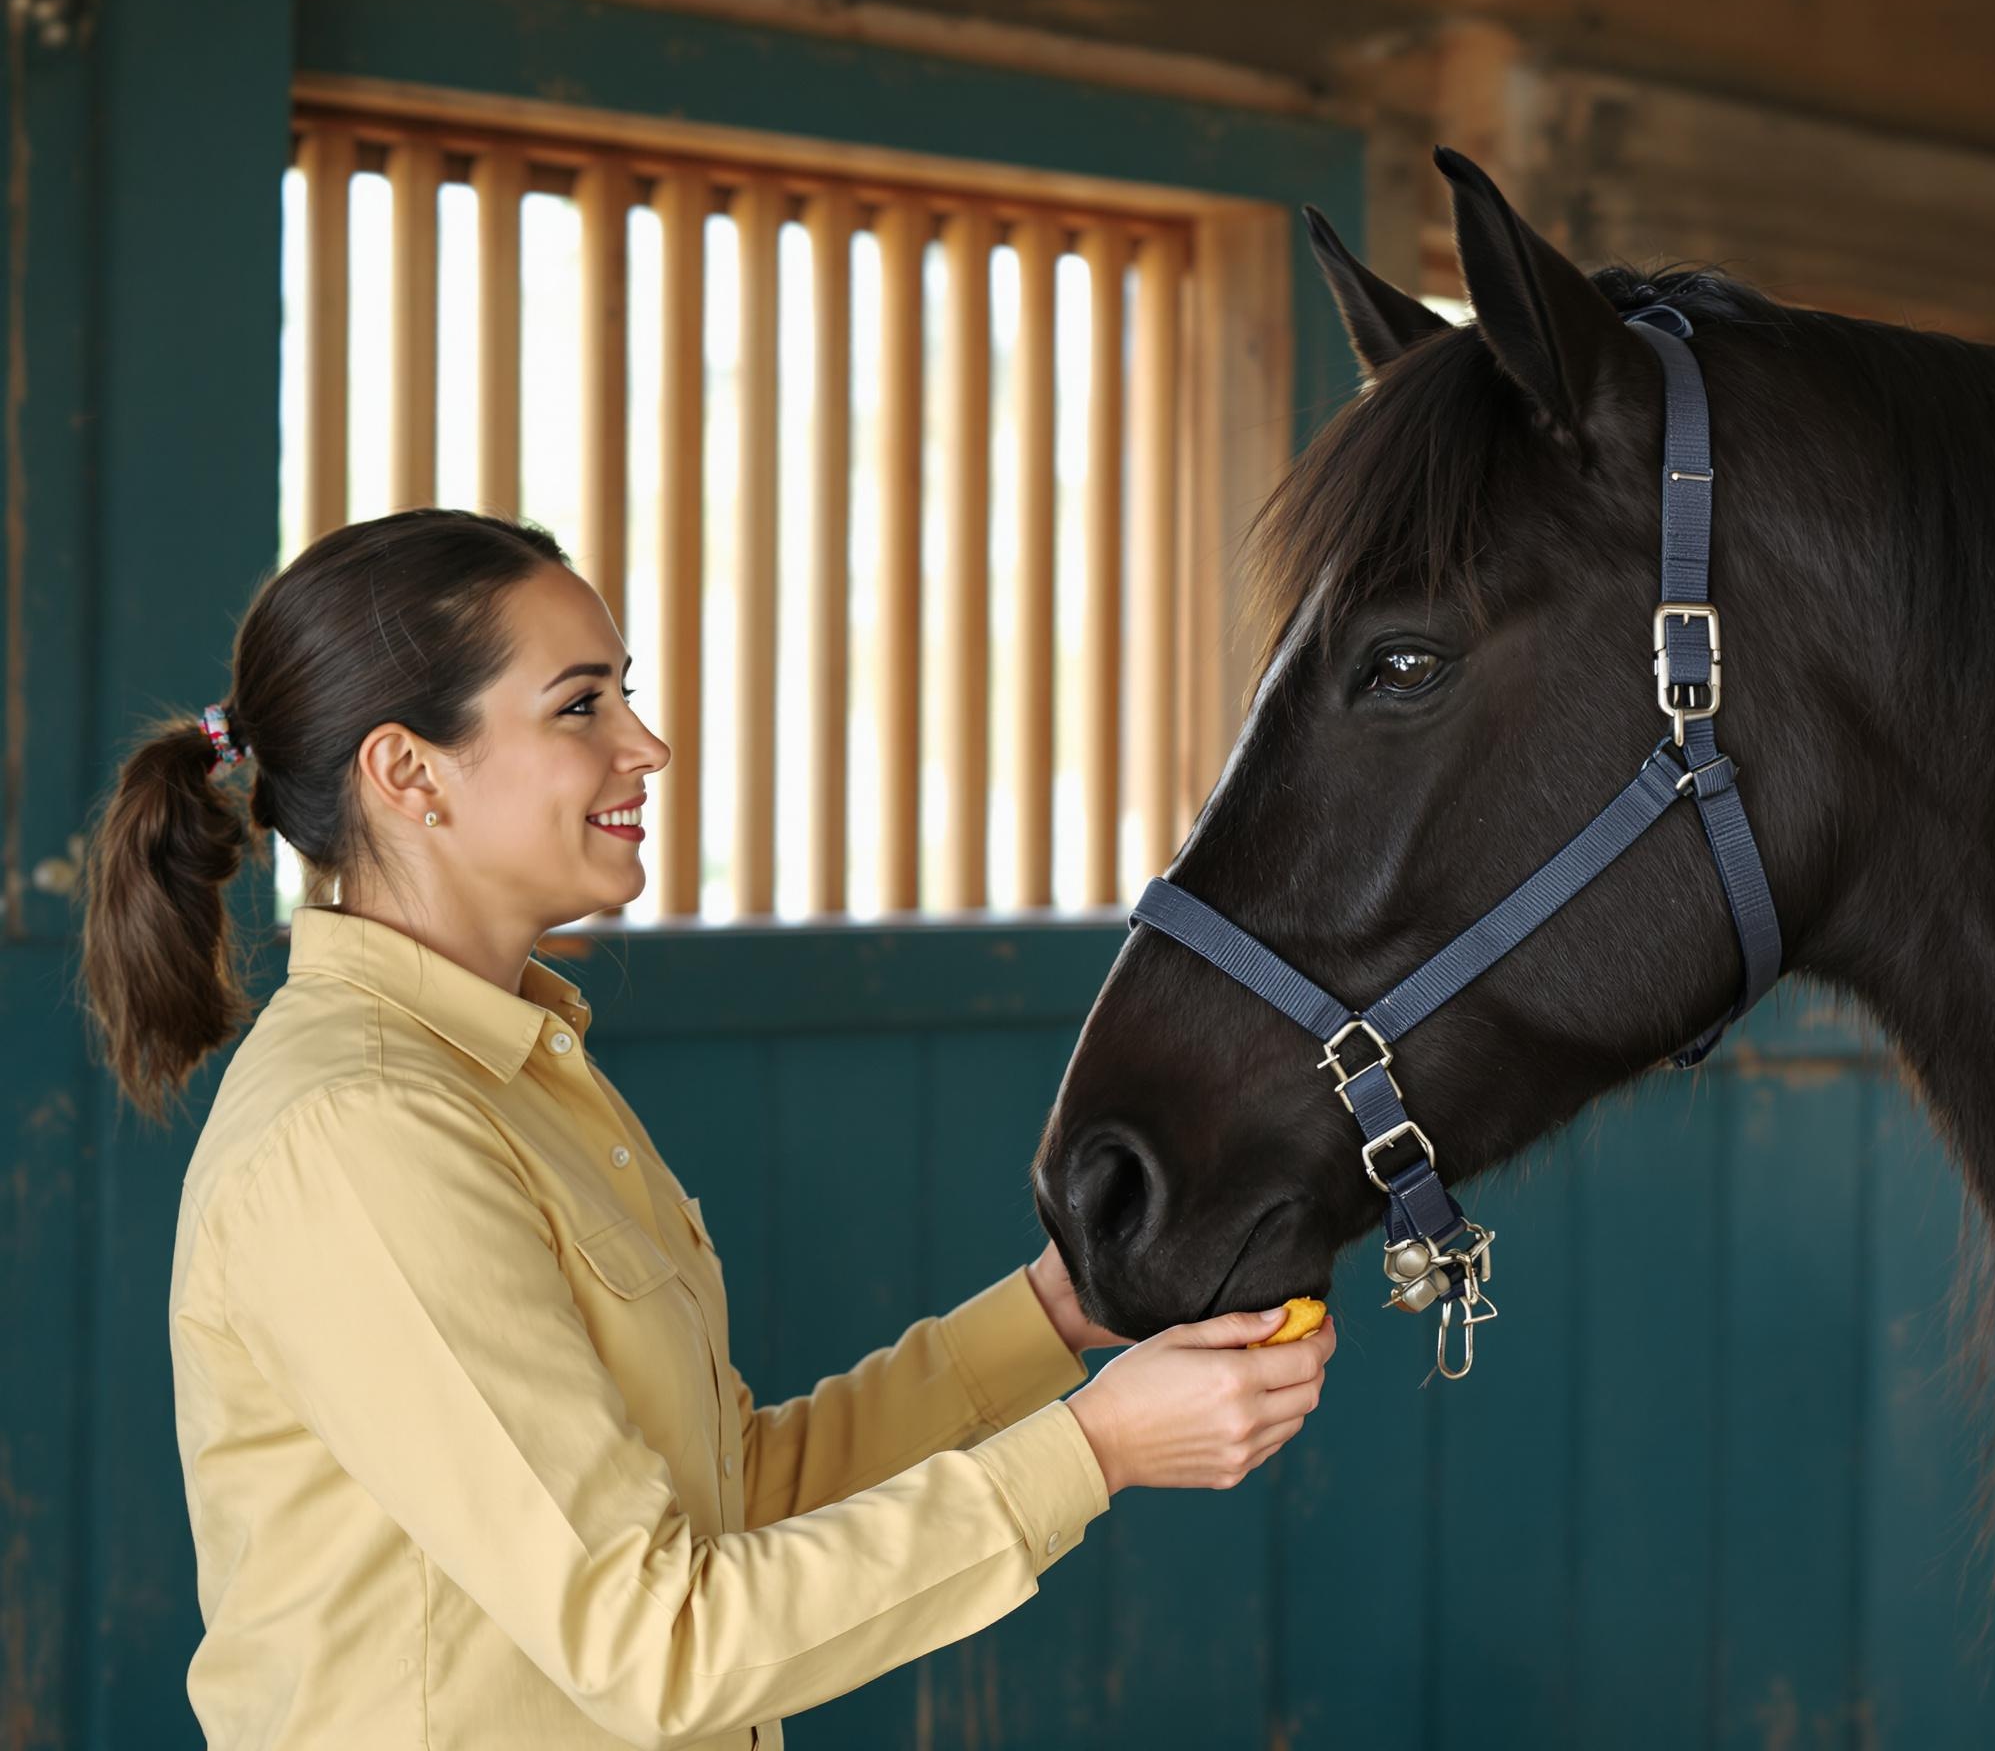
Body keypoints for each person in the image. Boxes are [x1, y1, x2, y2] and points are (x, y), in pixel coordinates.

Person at [79, 507, 1337, 1749]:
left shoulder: (514, 1072)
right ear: (409, 773)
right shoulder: (363, 1134)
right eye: (581, 706)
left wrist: (1060, 1319)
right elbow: (656, 1642)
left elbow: (725, 1497)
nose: (648, 744)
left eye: (627, 693)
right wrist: (1096, 1449)